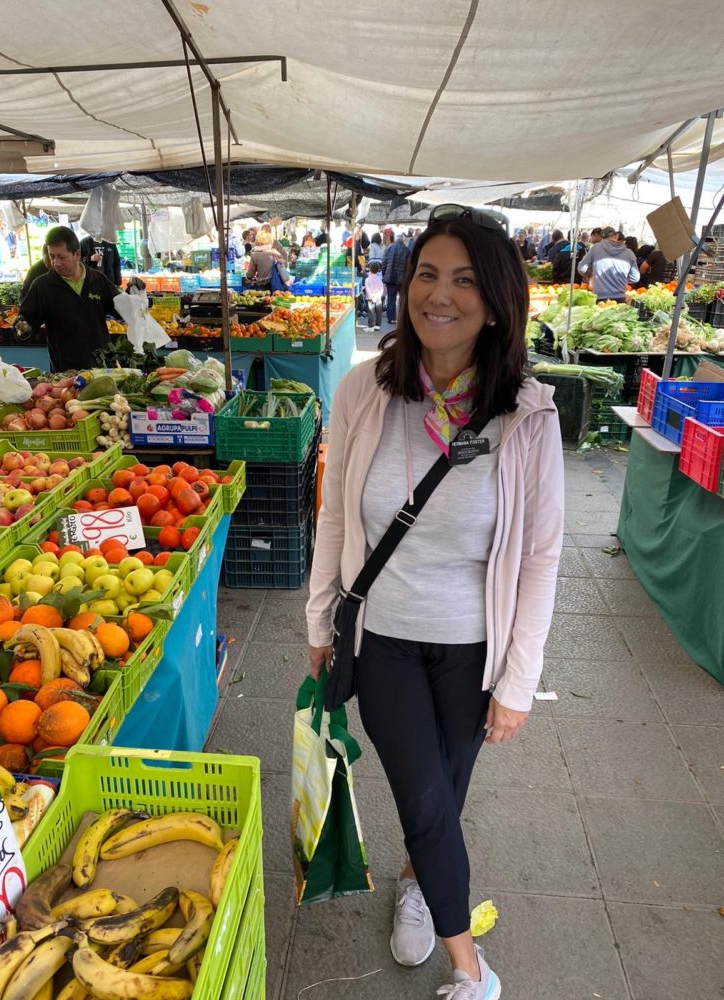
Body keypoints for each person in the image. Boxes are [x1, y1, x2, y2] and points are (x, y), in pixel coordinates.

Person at [306, 207, 564, 1000]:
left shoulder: (527, 414)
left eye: (463, 279)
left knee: (445, 795)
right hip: (380, 635)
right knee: (422, 791)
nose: (439, 295)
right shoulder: (363, 390)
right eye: (426, 273)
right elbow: (336, 515)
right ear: (404, 282)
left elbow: (540, 557)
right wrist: (320, 619)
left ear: (494, 301)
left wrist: (518, 682)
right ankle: (473, 974)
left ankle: (421, 883)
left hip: (471, 649)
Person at [18, 225, 120, 372]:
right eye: (52, 256)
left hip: (101, 368)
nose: (55, 263)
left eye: (61, 257)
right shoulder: (42, 286)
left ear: (77, 254)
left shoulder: (97, 280)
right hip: (65, 373)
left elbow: (121, 309)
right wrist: (23, 325)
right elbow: (27, 318)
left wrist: (133, 295)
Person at [578, 227, 640, 302]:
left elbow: (582, 268)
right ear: (616, 236)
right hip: (620, 298)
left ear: (602, 238)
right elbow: (635, 277)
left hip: (599, 298)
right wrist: (620, 279)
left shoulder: (596, 248)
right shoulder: (629, 253)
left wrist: (591, 275)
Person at [382, 231, 409, 325]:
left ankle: (391, 318)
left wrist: (384, 275)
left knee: (391, 299)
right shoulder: (406, 250)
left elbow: (384, 263)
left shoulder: (389, 248)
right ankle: (401, 318)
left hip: (390, 278)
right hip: (402, 279)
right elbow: (409, 266)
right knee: (402, 300)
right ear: (403, 239)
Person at [363, 261, 384, 331]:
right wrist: (377, 296)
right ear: (378, 270)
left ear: (369, 269)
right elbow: (381, 289)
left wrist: (372, 296)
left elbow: (367, 289)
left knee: (371, 312)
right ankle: (377, 325)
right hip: (378, 298)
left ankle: (371, 326)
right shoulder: (379, 279)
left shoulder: (367, 279)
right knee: (379, 312)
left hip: (370, 298)